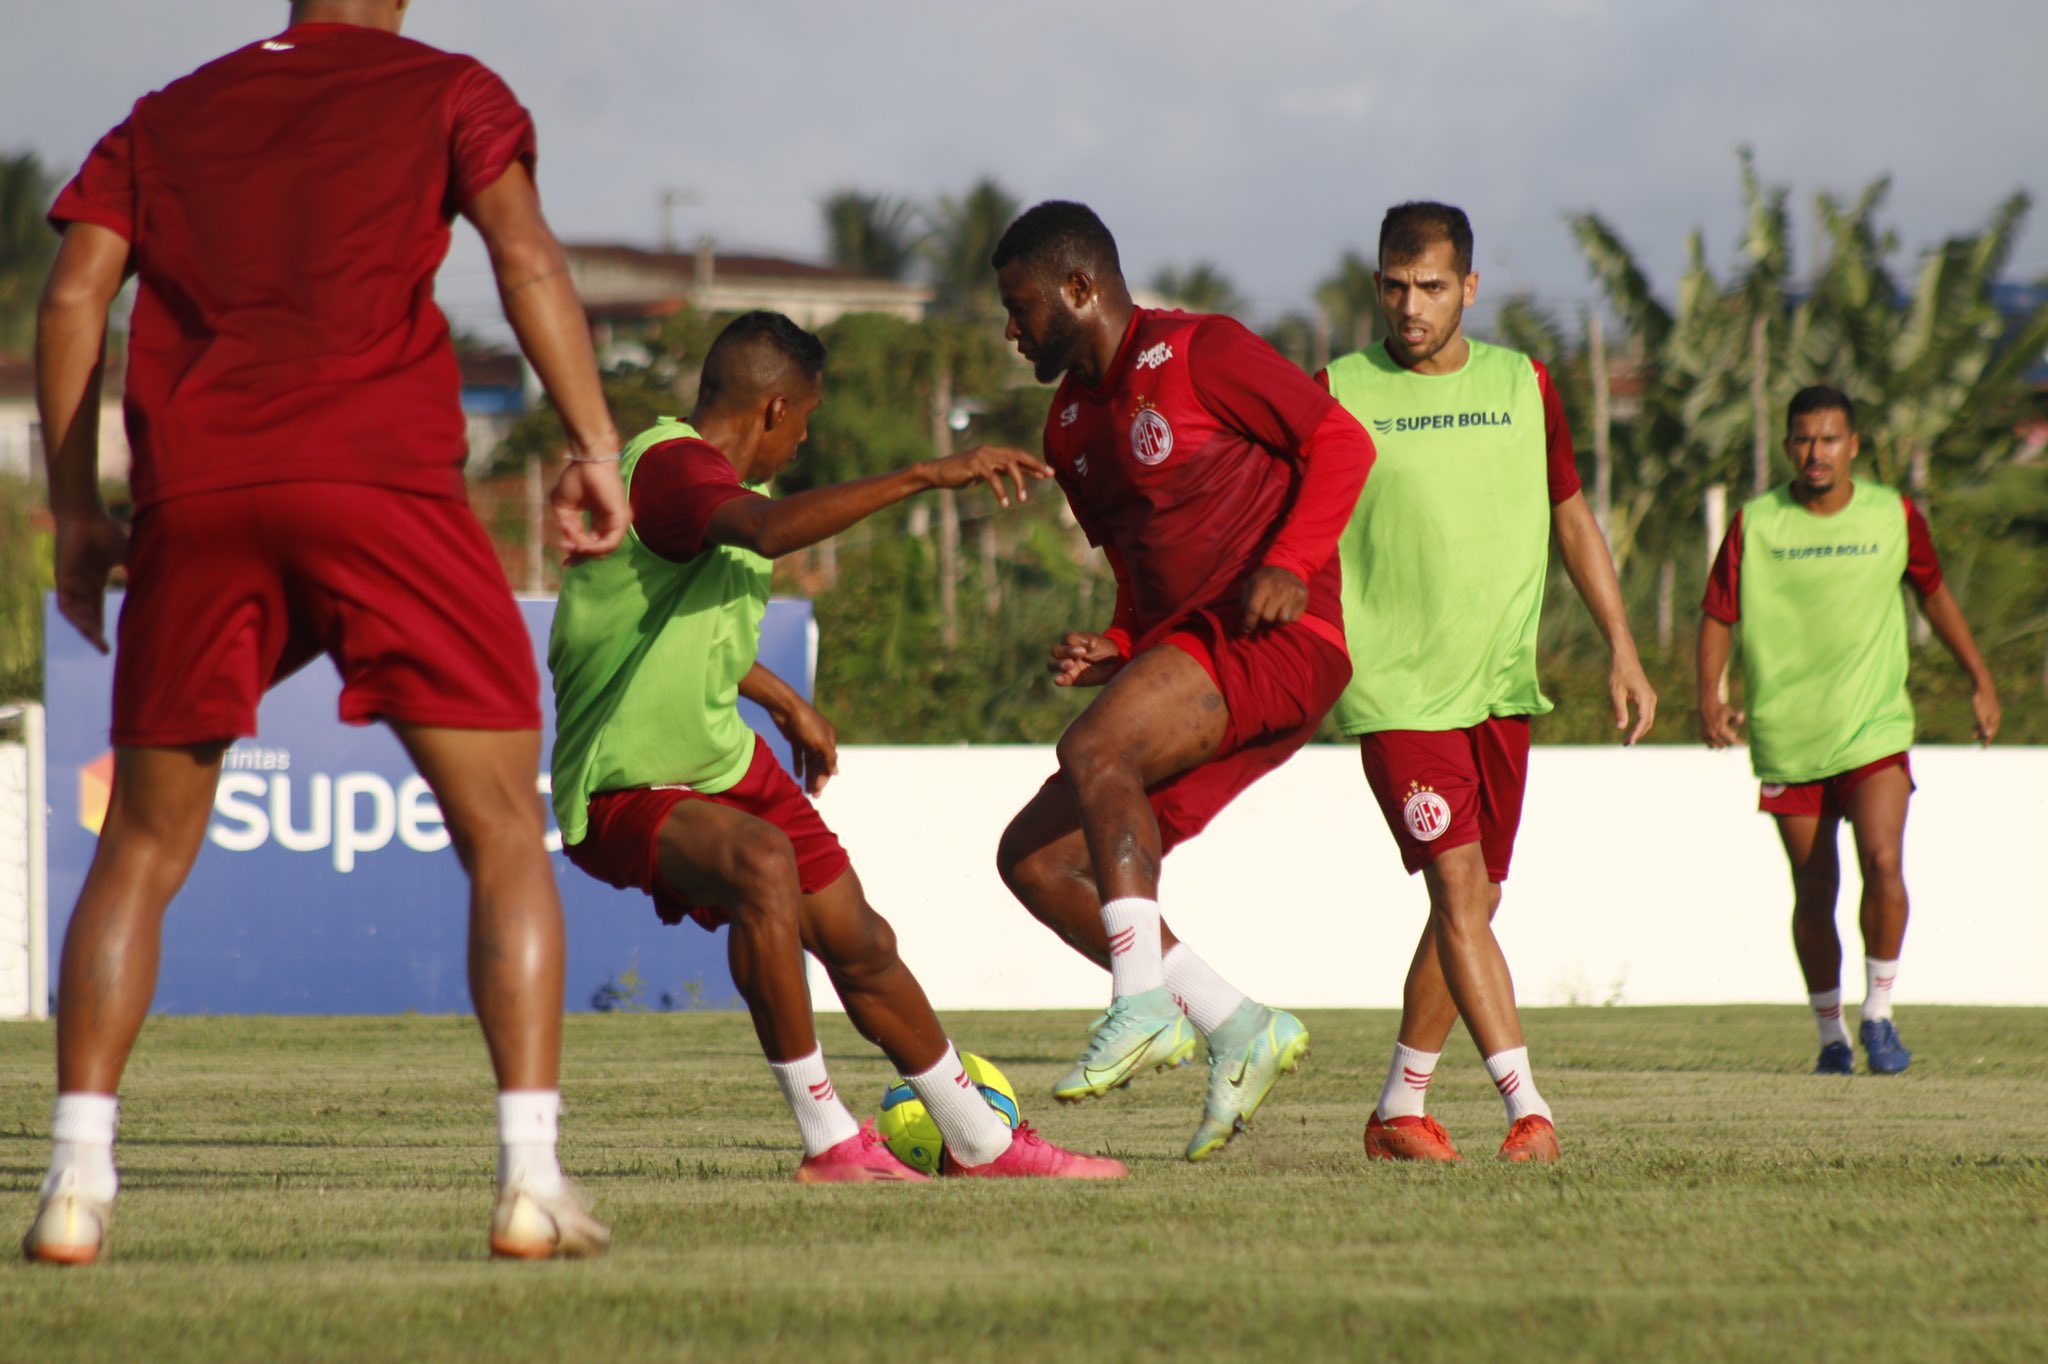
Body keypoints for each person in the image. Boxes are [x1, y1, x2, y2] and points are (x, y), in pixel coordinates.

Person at [23, 0, 629, 1265]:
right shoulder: (447, 87)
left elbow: (76, 291)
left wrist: (79, 511)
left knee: (137, 842)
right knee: (504, 826)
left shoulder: (167, 111)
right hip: (379, 480)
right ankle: (529, 1178)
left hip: (199, 490)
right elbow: (526, 260)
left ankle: (74, 1182)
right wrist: (594, 442)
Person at [550, 311, 1126, 1183]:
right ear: (777, 410)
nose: (805, 440)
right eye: (808, 421)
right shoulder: (668, 467)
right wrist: (925, 475)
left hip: (717, 761)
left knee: (860, 939)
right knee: (763, 865)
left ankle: (982, 1143)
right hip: (622, 782)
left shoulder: (720, 493)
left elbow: (684, 631)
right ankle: (829, 1142)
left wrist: (784, 700)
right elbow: (767, 534)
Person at [989, 201, 1377, 1162]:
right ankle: (1240, 1027)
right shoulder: (1068, 428)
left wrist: (1291, 561)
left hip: (1279, 636)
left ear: (1081, 289)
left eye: (1021, 305)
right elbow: (1142, 569)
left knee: (1094, 748)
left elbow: (1343, 441)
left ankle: (1141, 1003)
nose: (1011, 329)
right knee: (1035, 860)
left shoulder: (1204, 351)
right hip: (1194, 653)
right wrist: (1119, 646)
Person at [1324, 201, 1655, 1166]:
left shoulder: (1524, 384)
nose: (1409, 305)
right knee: (1462, 891)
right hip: (1394, 691)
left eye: (1430, 286)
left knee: (1471, 902)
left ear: (1469, 286)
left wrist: (1623, 649)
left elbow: (1572, 514)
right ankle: (1529, 1109)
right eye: (1393, 285)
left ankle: (1398, 1108)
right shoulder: (1338, 388)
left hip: (1501, 687)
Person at [1698, 385, 1999, 1076]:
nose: (1815, 453)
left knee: (1884, 861)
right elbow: (1718, 614)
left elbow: (1934, 591)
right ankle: (1831, 1033)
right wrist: (1709, 699)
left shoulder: (1893, 514)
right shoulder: (1756, 523)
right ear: (1786, 447)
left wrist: (1979, 677)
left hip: (1874, 728)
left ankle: (1880, 1015)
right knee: (1815, 890)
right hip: (1788, 735)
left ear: (1854, 446)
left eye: (1829, 439)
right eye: (1803, 439)